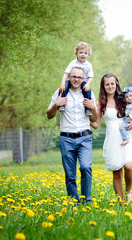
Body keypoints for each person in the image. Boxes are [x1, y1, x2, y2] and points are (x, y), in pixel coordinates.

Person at [47, 67, 98, 203]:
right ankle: (73, 202)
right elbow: (49, 115)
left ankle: (86, 200)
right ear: (69, 77)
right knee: (70, 174)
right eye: (74, 76)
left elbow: (94, 120)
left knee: (86, 167)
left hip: (85, 137)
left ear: (84, 79)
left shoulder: (89, 94)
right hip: (66, 138)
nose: (76, 79)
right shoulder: (60, 92)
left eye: (79, 77)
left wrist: (93, 107)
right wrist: (56, 105)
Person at [91, 73, 132, 205]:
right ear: (103, 86)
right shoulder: (100, 103)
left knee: (129, 166)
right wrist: (85, 117)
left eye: (112, 83)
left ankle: (128, 193)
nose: (110, 86)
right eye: (107, 84)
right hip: (112, 139)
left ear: (116, 84)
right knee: (117, 172)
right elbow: (96, 124)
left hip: (126, 135)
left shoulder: (124, 99)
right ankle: (121, 203)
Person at [58, 42, 94, 116]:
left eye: (85, 53)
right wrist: (62, 83)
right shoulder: (73, 63)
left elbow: (91, 76)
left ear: (88, 55)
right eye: (80, 52)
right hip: (72, 81)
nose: (83, 54)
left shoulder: (89, 65)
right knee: (64, 87)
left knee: (88, 92)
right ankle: (61, 104)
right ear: (76, 54)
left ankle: (88, 109)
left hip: (83, 82)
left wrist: (88, 84)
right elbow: (66, 73)